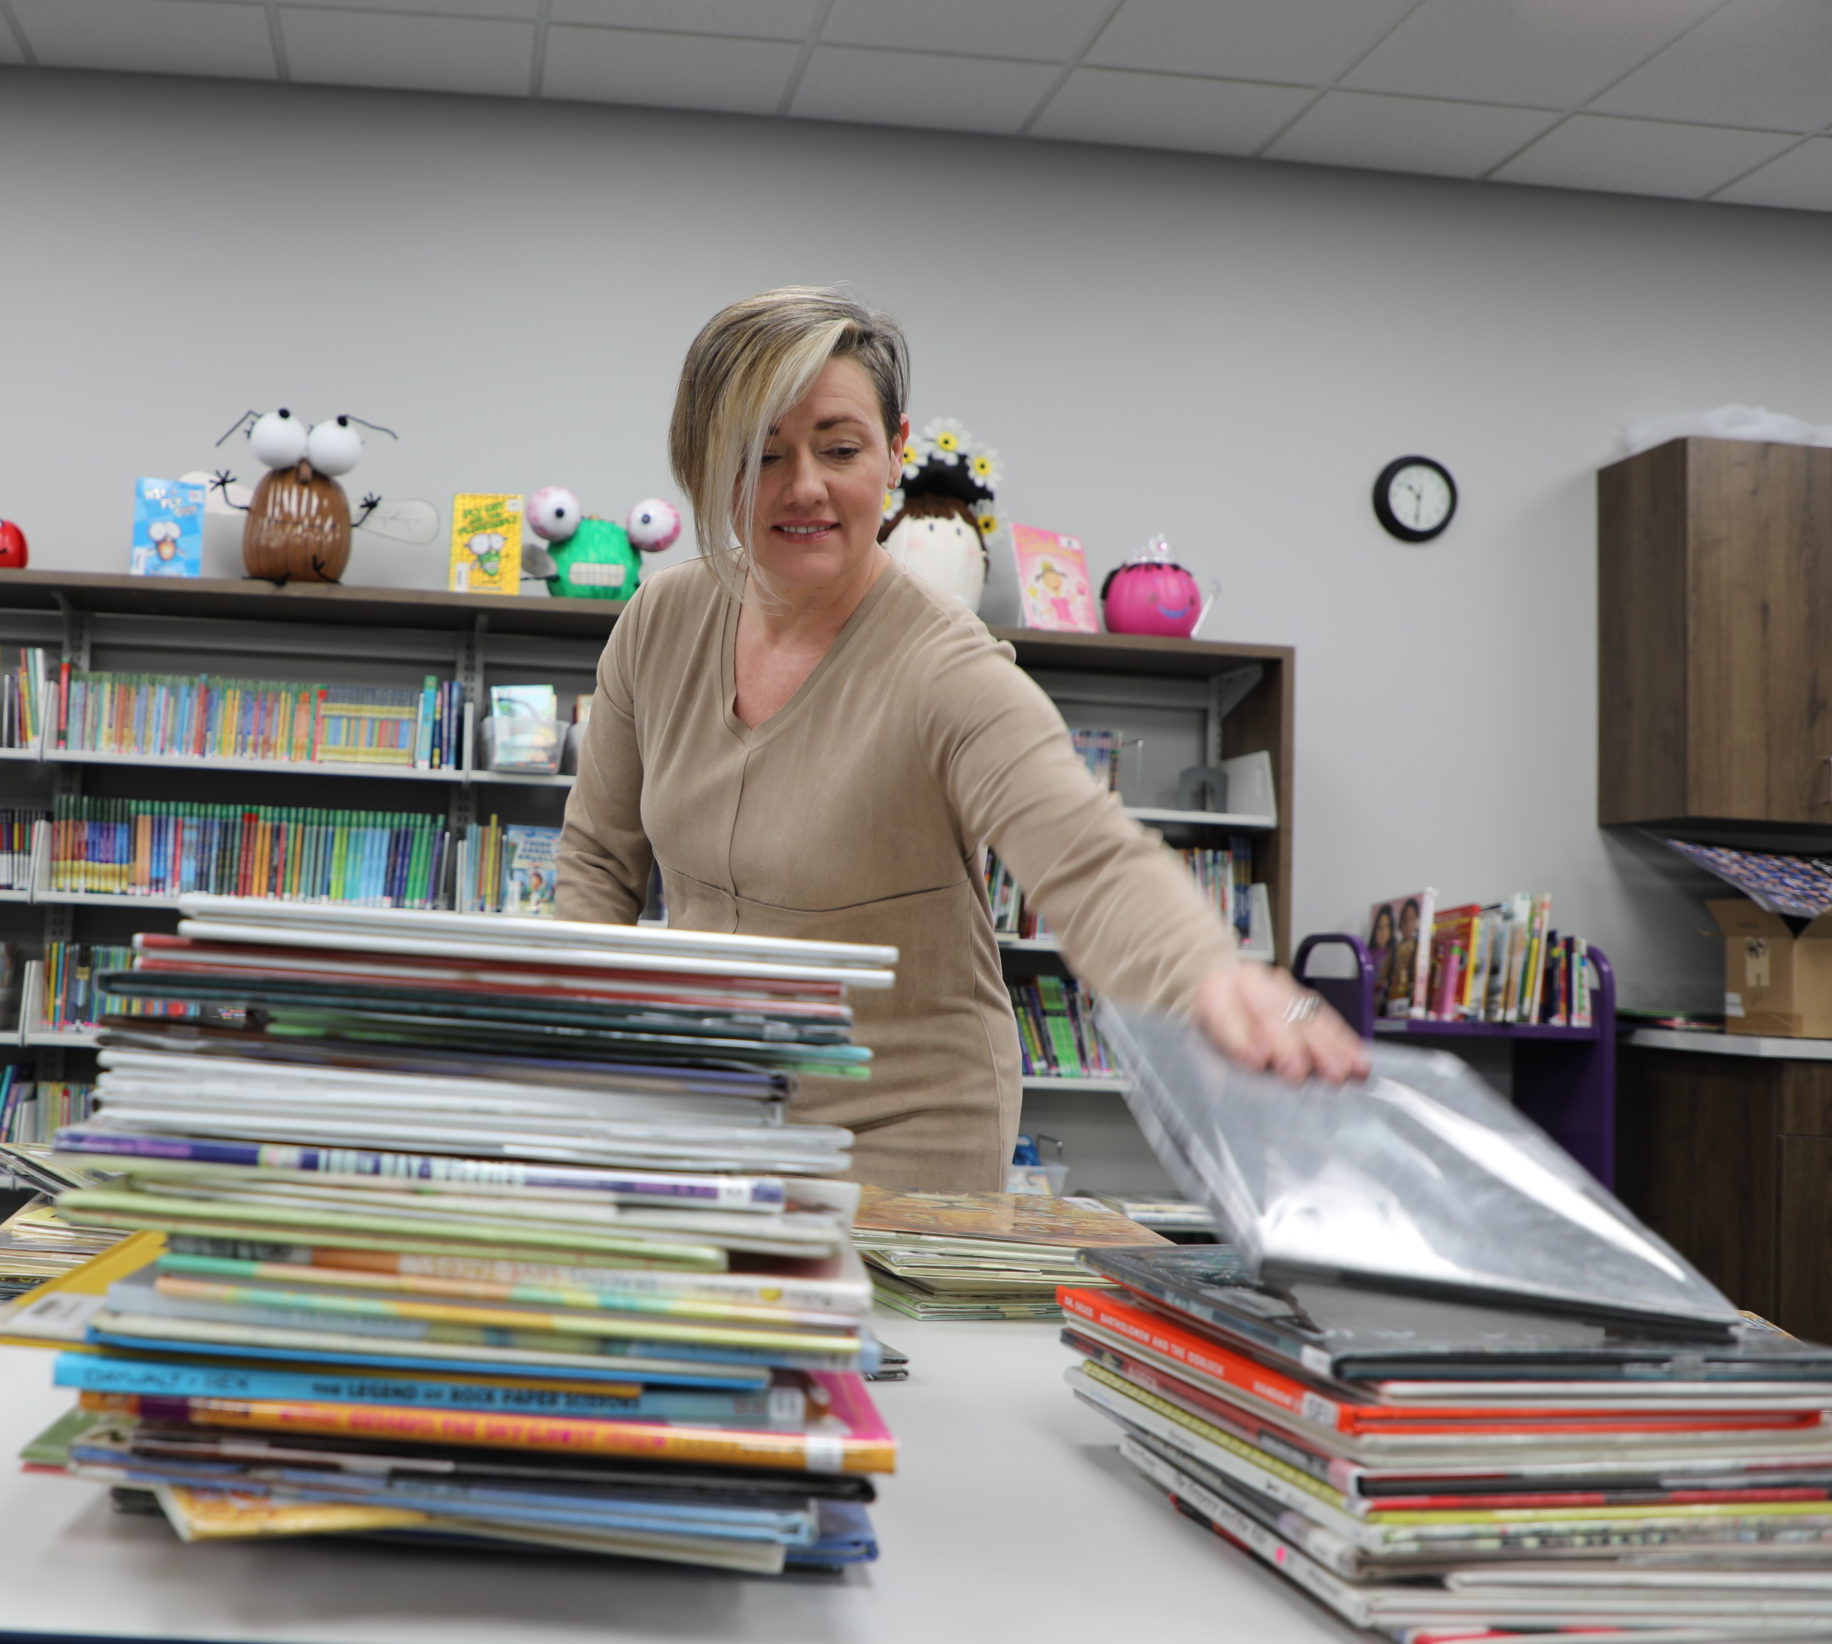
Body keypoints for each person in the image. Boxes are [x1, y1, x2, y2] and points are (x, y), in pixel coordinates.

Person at [557, 286, 1366, 1195]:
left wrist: (1207, 976)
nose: (804, 486)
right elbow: (597, 863)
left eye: (840, 446)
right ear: (709, 464)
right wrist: (578, 1048)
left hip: (906, 1125)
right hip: (708, 1104)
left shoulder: (943, 662)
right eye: (762, 452)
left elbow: (1082, 848)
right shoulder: (660, 619)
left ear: (896, 451)